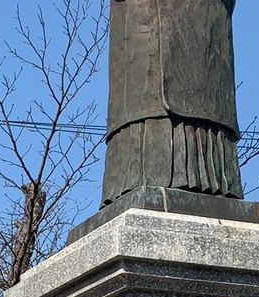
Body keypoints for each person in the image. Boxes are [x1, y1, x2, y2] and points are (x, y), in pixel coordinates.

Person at [103, 0, 243, 205]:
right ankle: (140, 179)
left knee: (200, 98)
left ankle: (212, 179)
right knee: (144, 102)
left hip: (203, 27)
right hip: (141, 27)